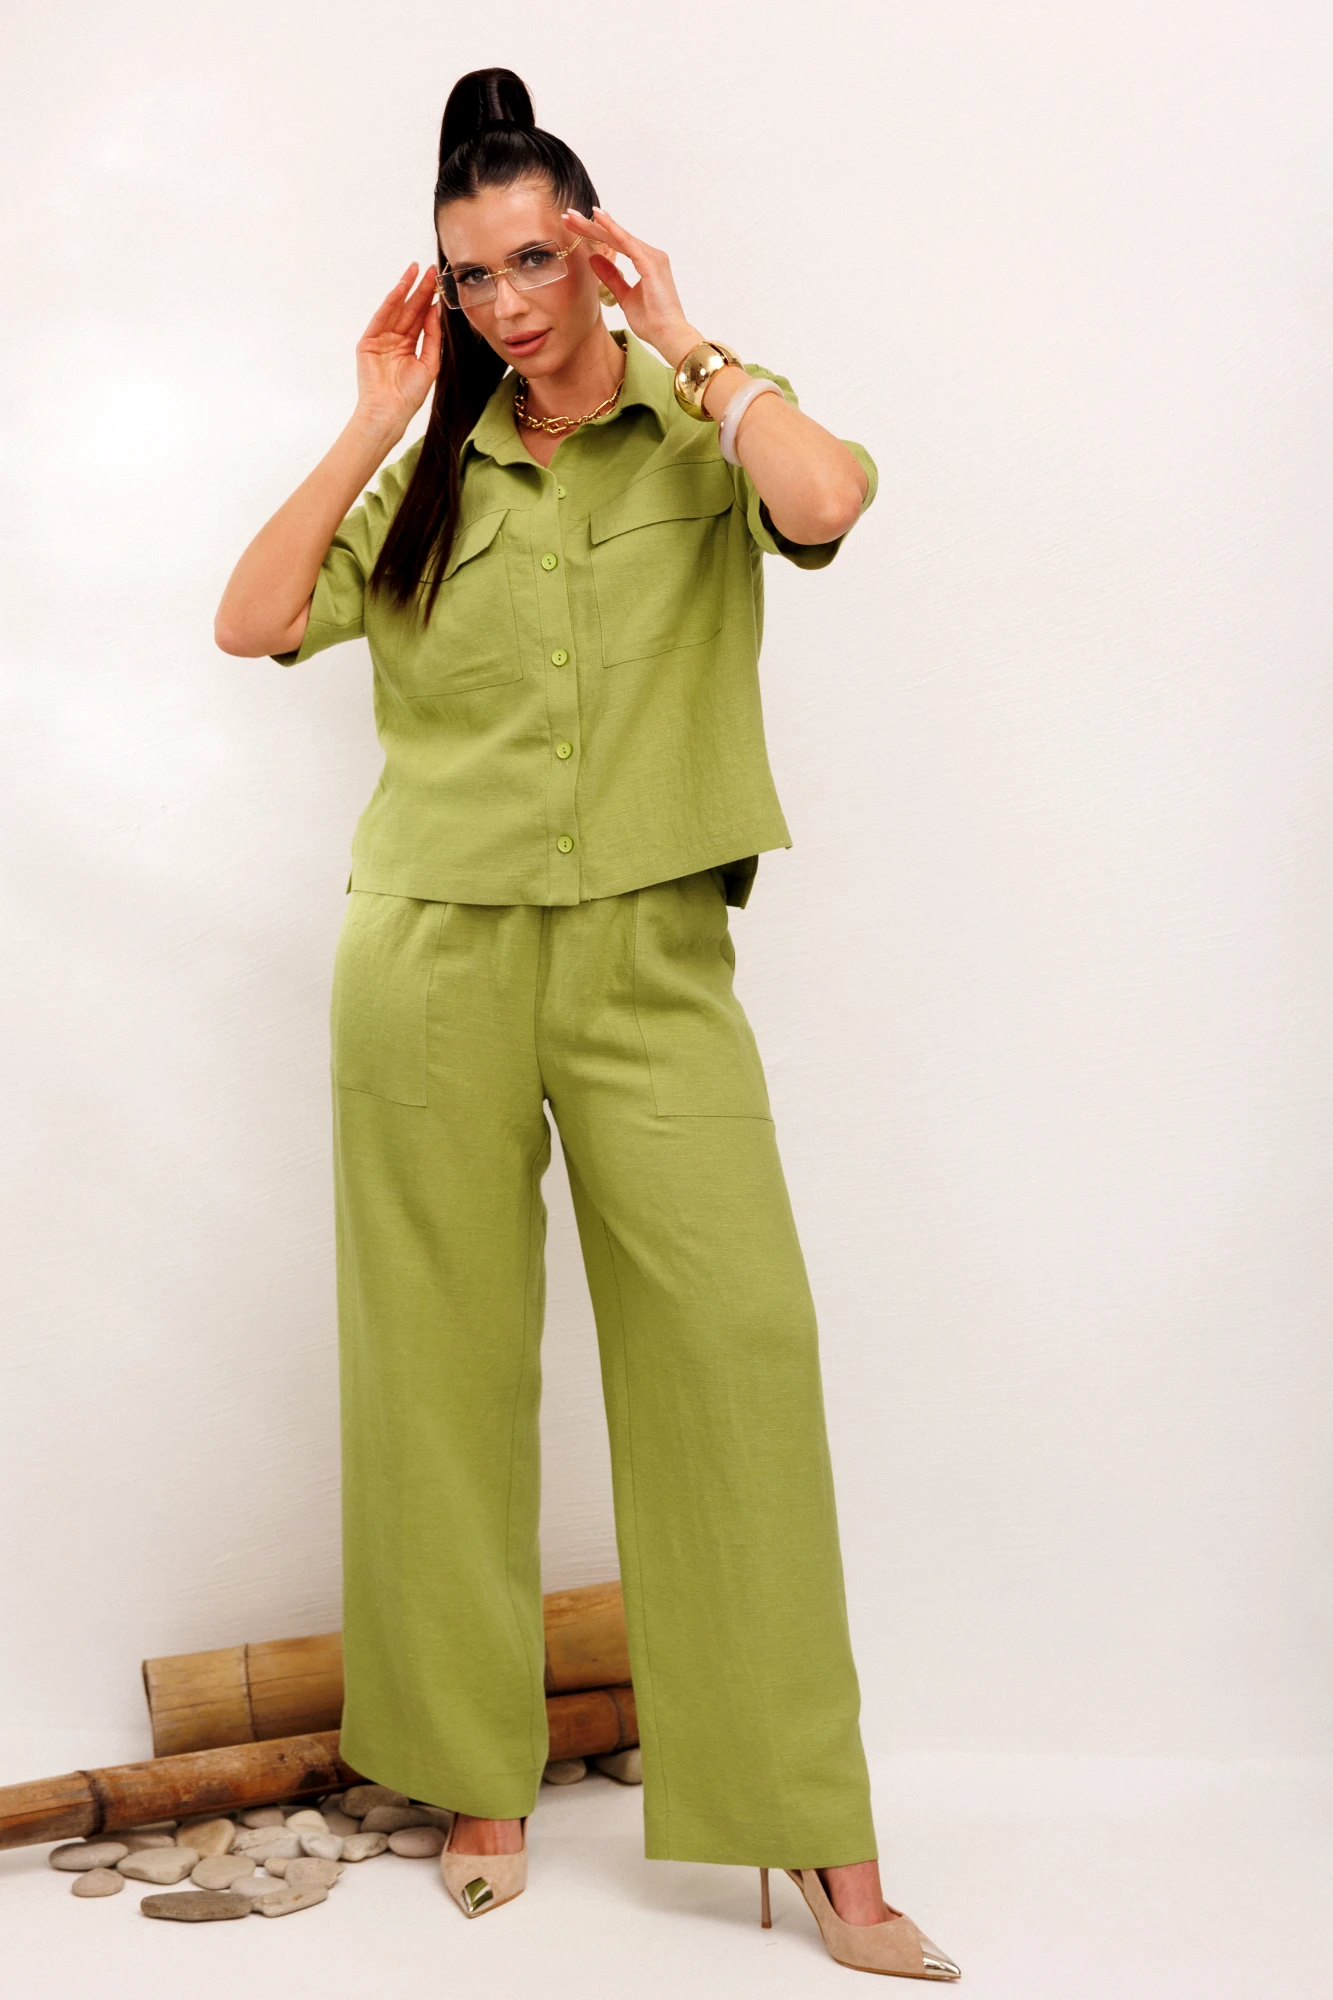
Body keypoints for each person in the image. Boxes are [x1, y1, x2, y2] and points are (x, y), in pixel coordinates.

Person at [215, 66, 960, 1982]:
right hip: (431, 961)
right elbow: (250, 617)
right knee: (439, 1373)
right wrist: (373, 416)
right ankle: (477, 1781)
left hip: (649, 965)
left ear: (597, 246)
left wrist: (694, 342)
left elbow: (830, 499)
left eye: (536, 259)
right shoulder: (430, 471)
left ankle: (818, 1837)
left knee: (739, 1355)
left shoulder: (706, 430)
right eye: (472, 275)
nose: (508, 302)